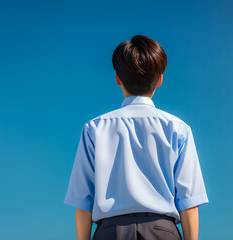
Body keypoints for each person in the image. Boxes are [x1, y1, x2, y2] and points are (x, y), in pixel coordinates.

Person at [64, 34, 209, 240]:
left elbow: (83, 203)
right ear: (159, 80)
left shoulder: (94, 128)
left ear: (117, 78)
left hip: (110, 232)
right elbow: (188, 203)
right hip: (163, 231)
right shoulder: (178, 128)